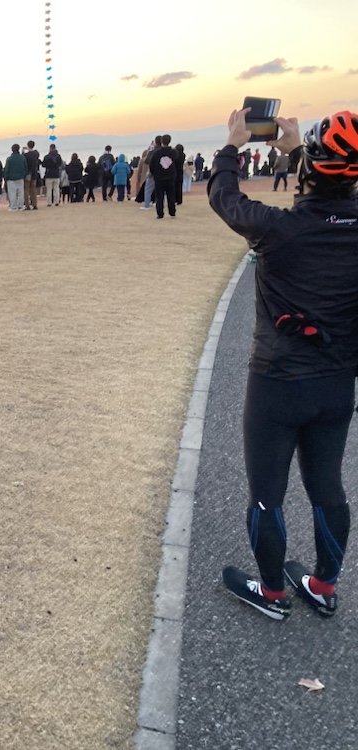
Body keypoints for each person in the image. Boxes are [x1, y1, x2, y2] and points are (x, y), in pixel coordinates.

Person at [211, 108, 358, 622]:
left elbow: (225, 198)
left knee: (267, 495)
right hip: (336, 385)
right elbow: (335, 198)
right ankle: (323, 585)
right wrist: (300, 152)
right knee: (328, 488)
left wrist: (233, 145)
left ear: (308, 170)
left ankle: (273, 593)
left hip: (277, 382)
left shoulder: (280, 230)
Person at [148, 134, 179, 218]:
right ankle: (172, 212)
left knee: (159, 197)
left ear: (161, 141)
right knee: (171, 196)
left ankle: (160, 214)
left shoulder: (157, 153)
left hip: (159, 178)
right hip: (170, 177)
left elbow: (151, 165)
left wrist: (154, 173)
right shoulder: (174, 152)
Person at [3, 144, 27, 211]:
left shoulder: (9, 159)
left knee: (12, 193)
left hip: (11, 178)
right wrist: (24, 175)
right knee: (21, 192)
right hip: (20, 177)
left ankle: (13, 206)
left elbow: (7, 169)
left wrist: (6, 177)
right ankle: (21, 206)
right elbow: (25, 167)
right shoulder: (22, 158)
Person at [23, 141, 40, 210]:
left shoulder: (26, 155)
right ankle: (34, 204)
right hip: (34, 173)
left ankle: (27, 204)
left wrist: (23, 151)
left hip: (28, 173)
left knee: (26, 189)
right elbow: (36, 152)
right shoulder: (36, 154)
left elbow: (24, 160)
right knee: (33, 189)